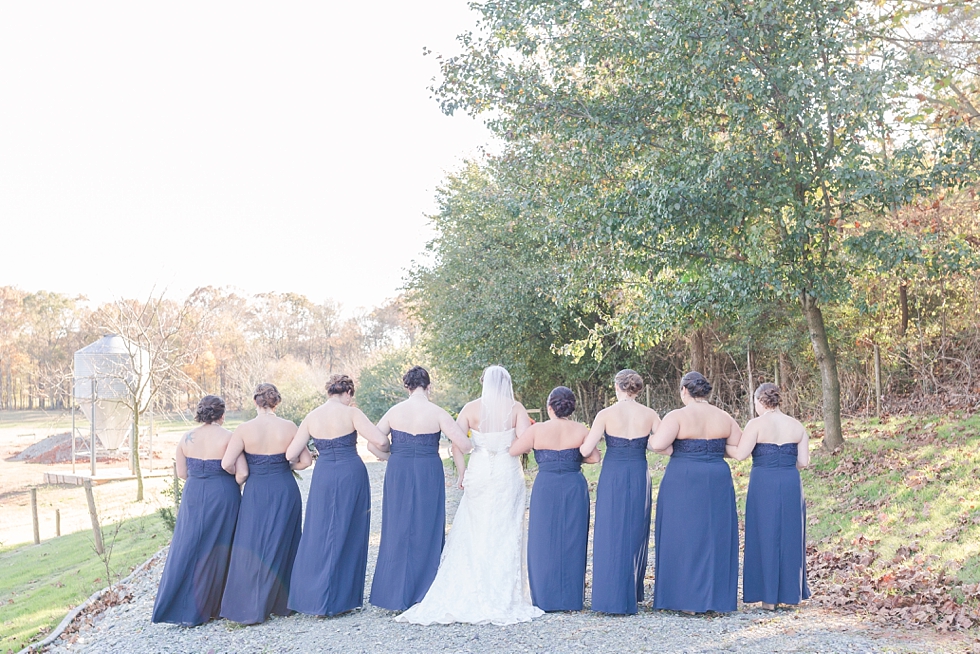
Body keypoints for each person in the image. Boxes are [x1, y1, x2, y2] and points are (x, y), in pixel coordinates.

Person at [396, 365, 544, 625]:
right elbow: (523, 441)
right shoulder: (516, 408)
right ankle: (503, 593)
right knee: (506, 528)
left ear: (483, 382)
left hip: (478, 469)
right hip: (507, 472)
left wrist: (462, 473)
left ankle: (471, 585)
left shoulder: (470, 409)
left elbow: (457, 445)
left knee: (474, 527)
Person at [285, 374, 391, 617]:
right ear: (348, 393)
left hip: (324, 475)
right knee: (349, 530)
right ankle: (341, 598)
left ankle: (314, 598)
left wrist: (315, 450)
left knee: (319, 531)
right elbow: (381, 440)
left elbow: (290, 453)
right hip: (350, 472)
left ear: (328, 392)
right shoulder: (352, 413)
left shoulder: (312, 417)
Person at [370, 366, 472, 612]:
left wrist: (393, 456)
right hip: (428, 469)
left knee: (397, 524)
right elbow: (465, 444)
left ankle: (393, 593)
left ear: (407, 387)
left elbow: (374, 444)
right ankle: (426, 591)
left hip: (399, 469)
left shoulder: (394, 412)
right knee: (427, 524)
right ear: (429, 387)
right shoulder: (437, 412)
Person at [650, 371, 741, 614]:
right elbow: (737, 447)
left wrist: (653, 441)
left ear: (684, 391)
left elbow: (659, 444)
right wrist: (712, 450)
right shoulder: (724, 417)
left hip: (685, 476)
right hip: (717, 477)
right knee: (715, 535)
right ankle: (715, 599)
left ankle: (686, 600)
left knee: (683, 533)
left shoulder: (677, 416)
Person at [219, 383, 310, 624]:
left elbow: (227, 463)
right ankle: (283, 602)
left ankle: (251, 601)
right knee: (284, 539)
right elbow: (305, 462)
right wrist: (284, 466)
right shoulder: (290, 427)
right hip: (284, 487)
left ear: (255, 402)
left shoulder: (243, 429)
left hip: (256, 489)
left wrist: (246, 470)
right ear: (276, 402)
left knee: (253, 542)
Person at [152, 396, 245, 626]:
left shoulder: (185, 438)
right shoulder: (229, 438)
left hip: (194, 493)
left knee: (189, 545)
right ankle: (216, 604)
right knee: (220, 546)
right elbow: (241, 473)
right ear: (221, 415)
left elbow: (182, 474)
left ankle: (180, 606)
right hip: (223, 494)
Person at [510, 386, 599, 612]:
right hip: (573, 486)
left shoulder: (537, 429)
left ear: (550, 407)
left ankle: (545, 598)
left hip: (547, 487)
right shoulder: (581, 429)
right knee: (573, 538)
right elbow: (594, 458)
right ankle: (570, 598)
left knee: (543, 539)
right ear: (571, 408)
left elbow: (514, 450)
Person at [580, 369, 661, 614]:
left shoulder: (605, 414)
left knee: (610, 528)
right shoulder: (650, 414)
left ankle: (610, 593)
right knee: (636, 527)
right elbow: (663, 445)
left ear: (617, 387)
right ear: (638, 390)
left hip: (613, 473)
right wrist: (644, 442)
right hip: (638, 471)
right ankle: (631, 589)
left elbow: (586, 449)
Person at [729, 383, 811, 610]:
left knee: (764, 533)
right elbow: (804, 462)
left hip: (763, 482)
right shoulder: (797, 426)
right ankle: (789, 594)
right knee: (790, 534)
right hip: (790, 482)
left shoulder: (756, 424)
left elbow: (741, 454)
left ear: (759, 402)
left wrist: (718, 447)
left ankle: (768, 598)